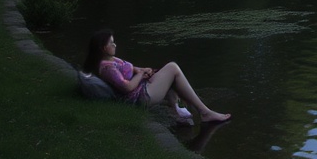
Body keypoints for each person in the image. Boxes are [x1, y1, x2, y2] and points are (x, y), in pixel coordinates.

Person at [82, 29, 231, 123]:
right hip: (140, 98)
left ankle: (179, 111)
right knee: (172, 68)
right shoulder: (107, 68)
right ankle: (204, 112)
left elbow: (131, 68)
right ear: (103, 48)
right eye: (112, 44)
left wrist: (145, 70)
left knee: (166, 72)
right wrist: (141, 75)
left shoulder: (111, 59)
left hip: (140, 88)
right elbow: (127, 87)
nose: (115, 45)